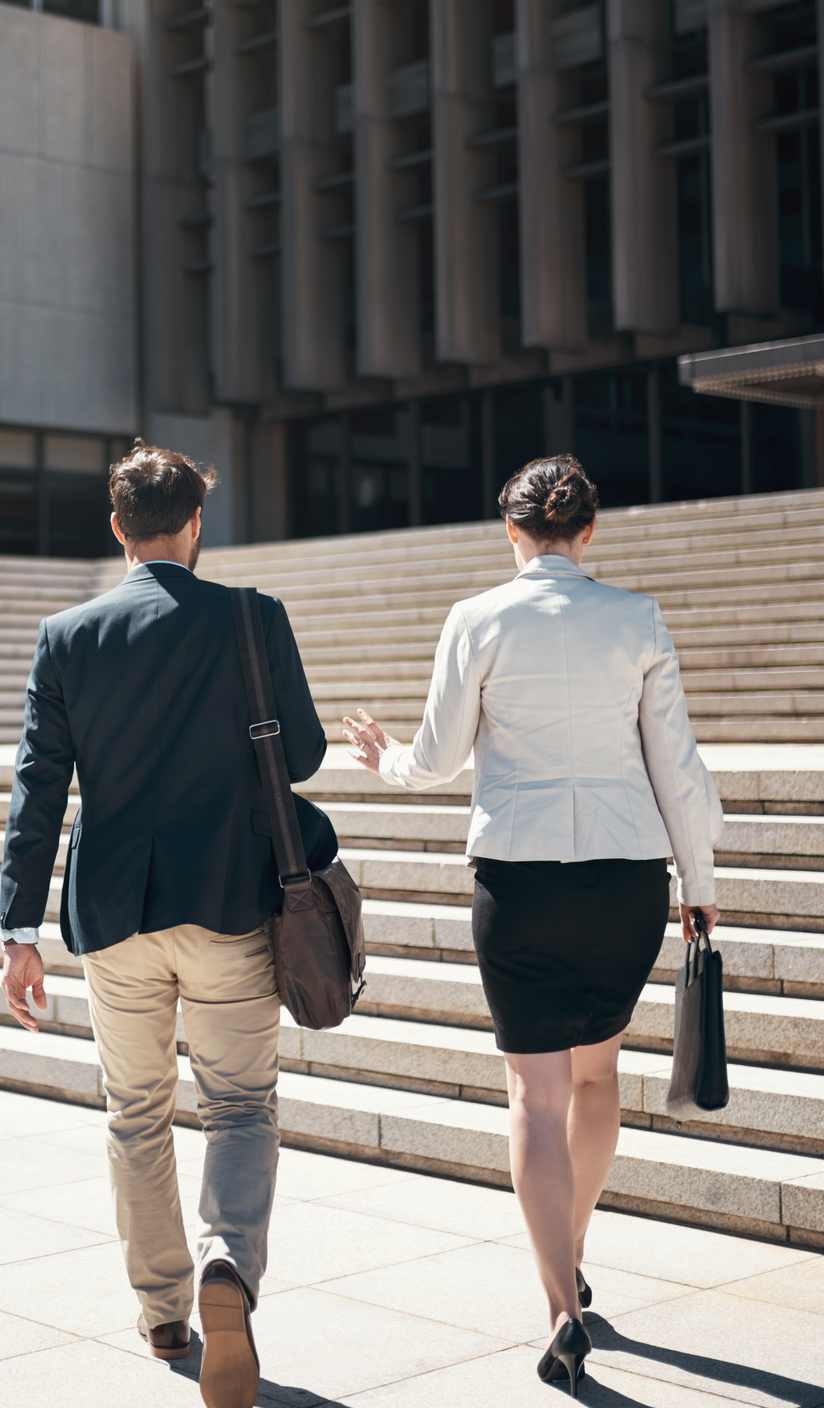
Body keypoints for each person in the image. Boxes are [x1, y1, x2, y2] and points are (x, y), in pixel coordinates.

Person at [341, 455, 721, 1397]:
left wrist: (384, 759)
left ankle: (560, 1308)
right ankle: (573, 1251)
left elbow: (437, 759)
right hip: (627, 880)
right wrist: (699, 881)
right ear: (589, 531)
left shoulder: (477, 618)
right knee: (597, 1079)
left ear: (510, 530)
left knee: (534, 1098)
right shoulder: (637, 618)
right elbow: (677, 766)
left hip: (519, 882)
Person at [0, 442, 330, 1408]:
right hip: (229, 903)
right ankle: (229, 1262)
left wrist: (18, 930)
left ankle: (165, 1314)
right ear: (195, 525)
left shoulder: (67, 636)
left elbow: (37, 788)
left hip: (114, 917)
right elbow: (304, 754)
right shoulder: (253, 618)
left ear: (118, 529)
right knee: (240, 1107)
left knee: (136, 1111)